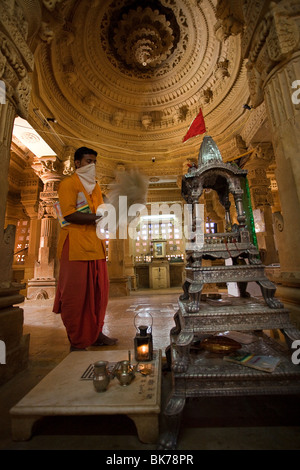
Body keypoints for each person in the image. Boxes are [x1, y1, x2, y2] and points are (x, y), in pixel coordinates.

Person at [53, 146, 118, 351]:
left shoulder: (96, 187)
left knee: (99, 294)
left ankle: (96, 334)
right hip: (74, 247)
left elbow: (101, 212)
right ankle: (77, 340)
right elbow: (69, 214)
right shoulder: (68, 184)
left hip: (96, 246)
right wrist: (100, 218)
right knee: (76, 296)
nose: (93, 166)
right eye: (89, 161)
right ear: (78, 163)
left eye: (95, 162)